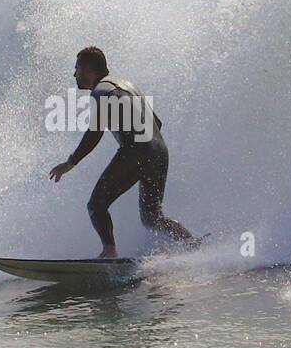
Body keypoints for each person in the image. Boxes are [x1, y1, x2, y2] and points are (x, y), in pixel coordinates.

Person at [49, 46, 197, 258]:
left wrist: (71, 162)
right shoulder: (127, 85)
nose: (74, 74)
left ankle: (109, 251)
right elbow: (157, 122)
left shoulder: (101, 91)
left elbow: (95, 131)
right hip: (159, 152)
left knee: (96, 205)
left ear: (89, 70)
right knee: (152, 217)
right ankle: (193, 244)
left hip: (137, 151)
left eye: (77, 68)